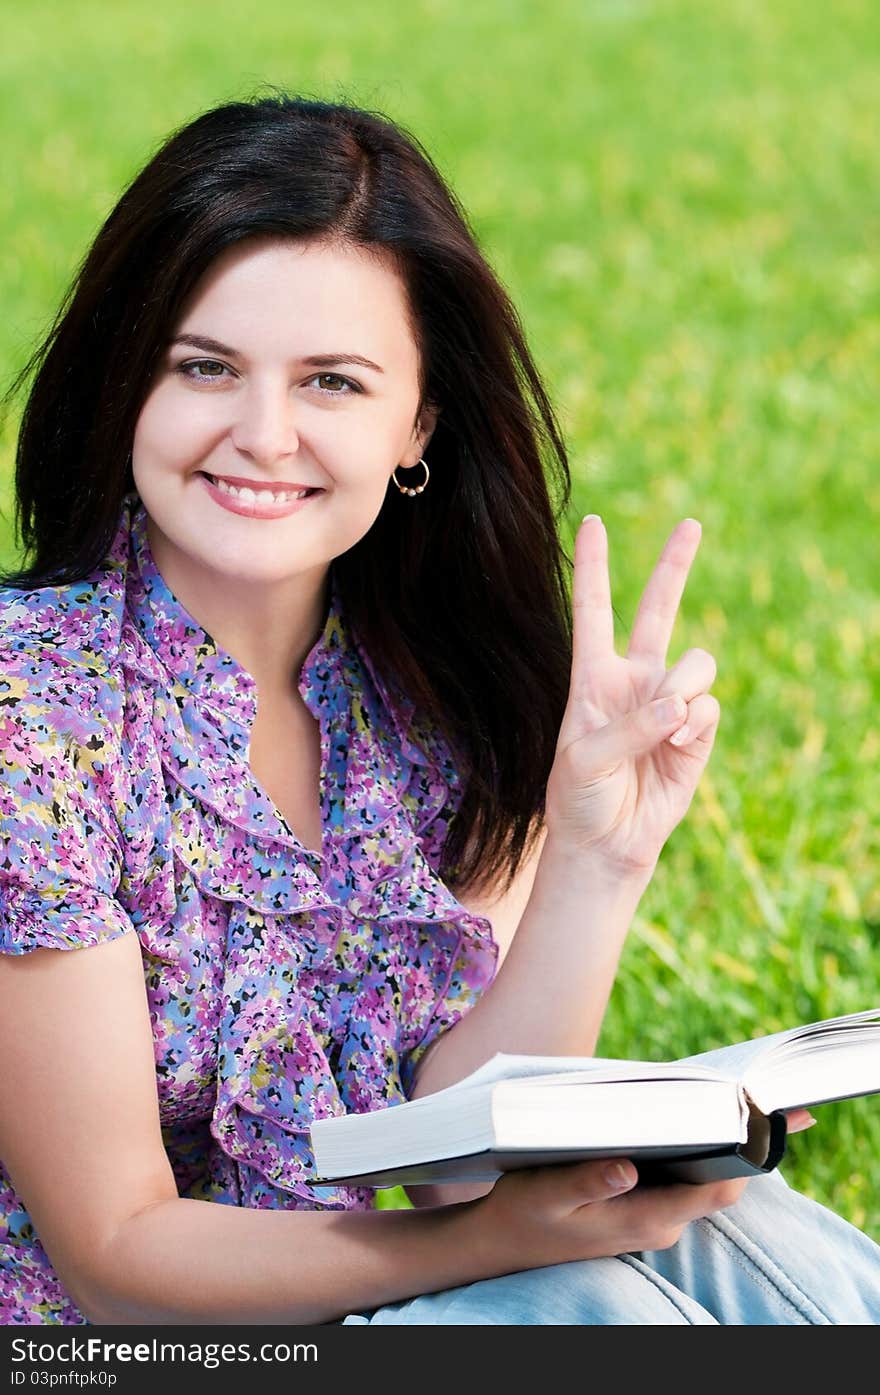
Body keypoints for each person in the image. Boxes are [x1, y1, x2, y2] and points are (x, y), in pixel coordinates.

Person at [0, 92, 877, 1329]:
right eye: (204, 366)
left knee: (753, 1233)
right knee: (593, 1316)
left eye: (333, 384)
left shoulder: (435, 697)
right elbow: (116, 1257)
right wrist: (484, 1245)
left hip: (327, 1306)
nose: (263, 434)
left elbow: (455, 1143)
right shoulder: (30, 715)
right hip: (101, 1345)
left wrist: (596, 855)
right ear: (125, 383)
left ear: (417, 425)